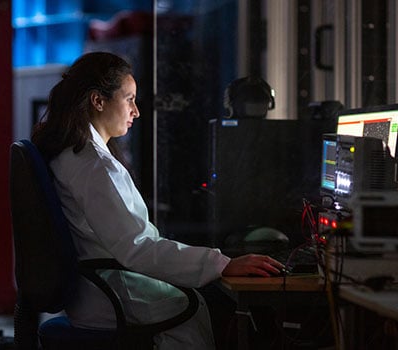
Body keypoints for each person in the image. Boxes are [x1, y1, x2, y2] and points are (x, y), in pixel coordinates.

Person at [31, 51, 284, 349]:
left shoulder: (75, 155)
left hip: (96, 290)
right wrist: (222, 263)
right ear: (98, 101)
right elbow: (137, 249)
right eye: (129, 99)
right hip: (113, 296)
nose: (136, 111)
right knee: (201, 308)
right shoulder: (92, 164)